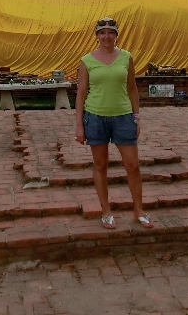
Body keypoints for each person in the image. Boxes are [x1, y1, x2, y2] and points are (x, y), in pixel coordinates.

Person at [75, 17, 153, 230]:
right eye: (102, 33)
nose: (106, 36)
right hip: (95, 116)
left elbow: (132, 89)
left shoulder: (126, 57)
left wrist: (137, 117)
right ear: (97, 36)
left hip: (123, 116)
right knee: (101, 165)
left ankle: (139, 210)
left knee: (133, 165)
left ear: (116, 35)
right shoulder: (87, 60)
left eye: (110, 32)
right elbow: (81, 93)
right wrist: (79, 125)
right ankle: (106, 211)